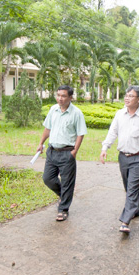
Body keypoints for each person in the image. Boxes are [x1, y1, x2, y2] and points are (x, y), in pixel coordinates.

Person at [100, 85, 139, 234]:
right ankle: (135, 209)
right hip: (123, 157)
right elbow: (113, 132)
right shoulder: (119, 114)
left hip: (138, 158)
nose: (127, 98)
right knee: (128, 187)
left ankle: (125, 221)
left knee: (132, 188)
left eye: (131, 96)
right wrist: (105, 148)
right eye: (126, 95)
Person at [36, 85, 87, 221]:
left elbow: (80, 134)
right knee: (48, 179)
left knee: (67, 182)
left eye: (63, 96)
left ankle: (63, 209)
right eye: (58, 95)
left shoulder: (77, 113)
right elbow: (48, 128)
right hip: (52, 151)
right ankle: (64, 196)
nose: (60, 98)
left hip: (67, 152)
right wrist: (41, 143)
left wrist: (74, 152)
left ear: (70, 97)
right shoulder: (53, 109)